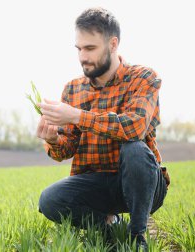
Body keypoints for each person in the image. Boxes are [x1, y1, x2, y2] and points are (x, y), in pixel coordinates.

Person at [36, 7, 170, 250]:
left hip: (143, 183)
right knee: (49, 200)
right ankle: (106, 232)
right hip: (96, 182)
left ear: (113, 44)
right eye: (79, 49)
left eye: (90, 48)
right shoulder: (72, 89)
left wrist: (78, 116)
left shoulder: (144, 77)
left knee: (135, 150)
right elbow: (65, 150)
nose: (82, 57)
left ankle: (136, 236)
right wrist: (53, 140)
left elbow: (135, 128)